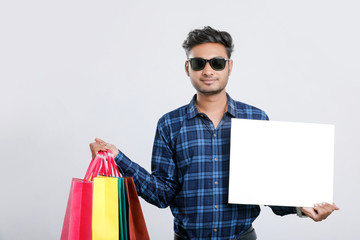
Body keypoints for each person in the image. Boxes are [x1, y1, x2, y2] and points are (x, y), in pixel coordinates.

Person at [90, 26, 339, 240]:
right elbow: (162, 193)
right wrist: (118, 159)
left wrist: (301, 206)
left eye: (217, 63)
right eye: (199, 63)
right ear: (188, 68)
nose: (208, 71)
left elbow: (268, 192)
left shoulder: (256, 118)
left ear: (229, 67)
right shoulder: (169, 124)